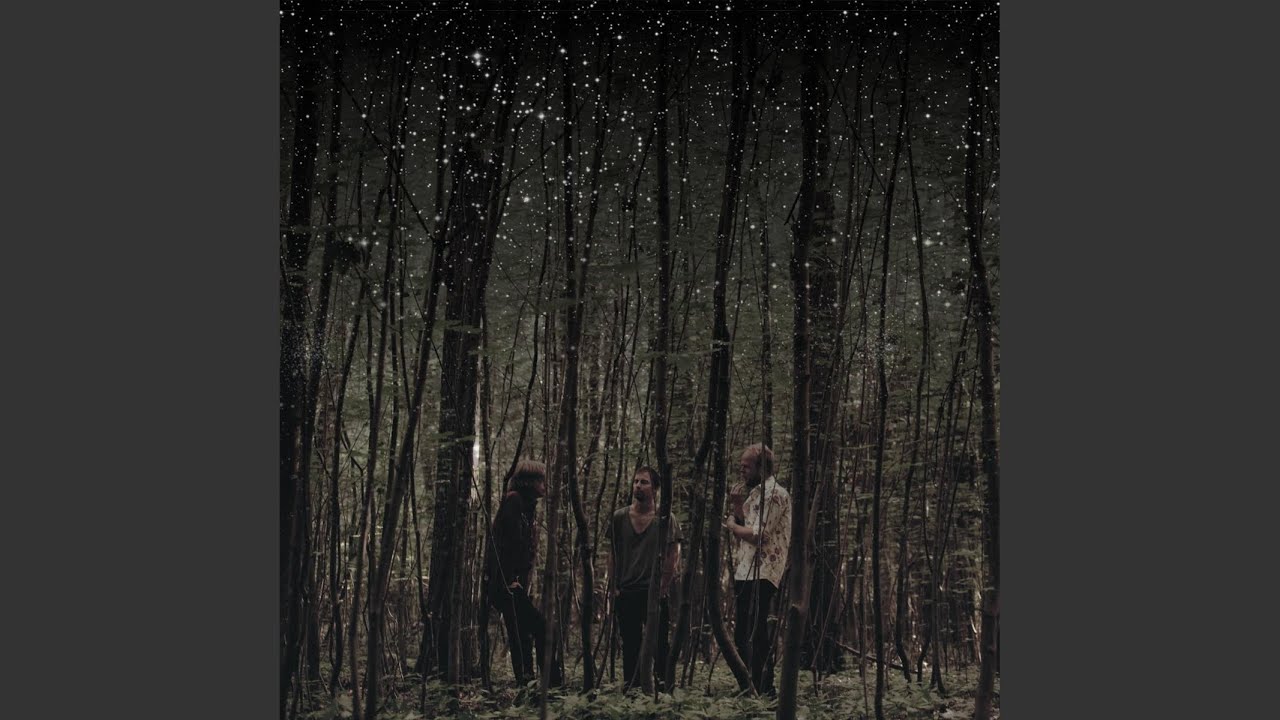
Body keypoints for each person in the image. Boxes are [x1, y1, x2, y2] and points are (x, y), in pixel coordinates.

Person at [605, 466, 683, 691]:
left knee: (660, 645)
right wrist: (613, 586)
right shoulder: (619, 517)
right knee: (630, 645)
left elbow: (673, 554)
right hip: (626, 590)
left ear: (655, 488)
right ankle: (632, 691)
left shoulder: (665, 518)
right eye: (636, 481)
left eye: (644, 482)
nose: (638, 486)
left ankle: (662, 691)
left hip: (654, 592)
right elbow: (612, 553)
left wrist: (663, 586)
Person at [723, 443, 791, 695]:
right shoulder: (754, 494)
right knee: (743, 631)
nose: (742, 471)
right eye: (741, 466)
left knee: (755, 630)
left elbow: (758, 535)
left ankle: (765, 689)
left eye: (747, 467)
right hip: (746, 569)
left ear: (762, 468)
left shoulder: (774, 494)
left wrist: (732, 525)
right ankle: (750, 686)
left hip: (764, 570)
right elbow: (747, 526)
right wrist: (737, 507)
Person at [485, 460, 548, 685]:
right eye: (541, 481)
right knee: (540, 627)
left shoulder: (527, 506)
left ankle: (528, 685)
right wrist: (507, 580)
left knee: (523, 634)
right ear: (529, 482)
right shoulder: (513, 501)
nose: (544, 485)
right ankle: (548, 684)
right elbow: (502, 544)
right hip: (504, 583)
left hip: (513, 582)